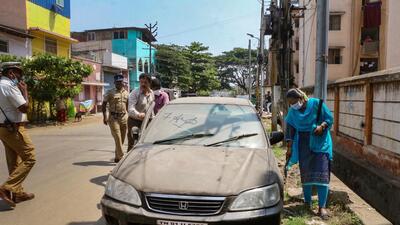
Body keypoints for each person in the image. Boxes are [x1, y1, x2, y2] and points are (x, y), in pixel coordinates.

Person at [285, 88, 333, 219]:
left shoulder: (316, 104)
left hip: (320, 143)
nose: (293, 105)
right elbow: (290, 130)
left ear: (301, 99)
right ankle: (307, 202)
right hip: (303, 145)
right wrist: (289, 148)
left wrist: (321, 127)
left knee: (322, 175)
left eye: (294, 102)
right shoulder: (292, 112)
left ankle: (322, 207)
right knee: (306, 174)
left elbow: (329, 118)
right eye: (290, 103)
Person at [0, 62, 36, 208]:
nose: (20, 77)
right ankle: (6, 187)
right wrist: (25, 91)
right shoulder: (9, 86)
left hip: (3, 128)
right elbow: (24, 108)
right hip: (13, 128)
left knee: (13, 162)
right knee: (30, 157)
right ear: (11, 73)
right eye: (18, 73)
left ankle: (18, 194)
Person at [102, 74, 129, 163]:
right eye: (117, 82)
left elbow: (128, 106)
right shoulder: (110, 92)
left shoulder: (126, 93)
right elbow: (104, 104)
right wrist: (105, 117)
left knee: (121, 139)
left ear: (123, 82)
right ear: (114, 82)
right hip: (113, 118)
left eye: (120, 82)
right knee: (117, 137)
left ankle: (117, 157)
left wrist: (130, 117)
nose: (119, 83)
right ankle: (122, 158)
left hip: (124, 117)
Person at [127, 73, 154, 152]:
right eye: (141, 82)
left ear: (150, 83)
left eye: (145, 82)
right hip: (134, 121)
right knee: (132, 144)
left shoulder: (151, 93)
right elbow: (130, 108)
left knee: (146, 143)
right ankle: (128, 162)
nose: (143, 84)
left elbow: (151, 107)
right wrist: (138, 114)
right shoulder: (134, 93)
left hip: (146, 121)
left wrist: (153, 118)